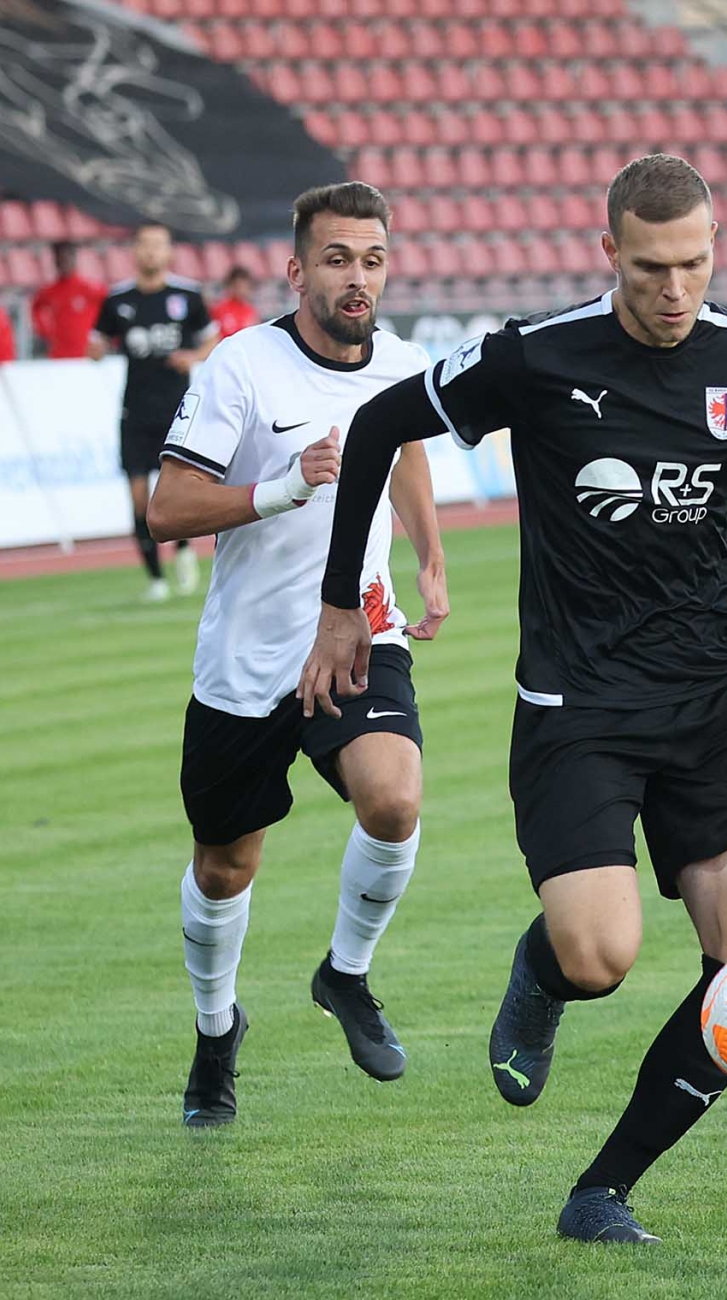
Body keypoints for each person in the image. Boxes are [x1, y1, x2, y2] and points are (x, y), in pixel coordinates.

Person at [299, 154, 727, 1244]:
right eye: (651, 267)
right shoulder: (535, 355)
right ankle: (541, 974)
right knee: (600, 955)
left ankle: (603, 1190)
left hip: (715, 709)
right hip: (577, 709)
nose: (675, 288)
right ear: (609, 255)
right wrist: (343, 600)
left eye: (694, 262)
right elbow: (384, 424)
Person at [146, 182, 451, 1126]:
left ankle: (345, 974)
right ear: (297, 270)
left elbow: (404, 448)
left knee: (394, 798)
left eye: (372, 259)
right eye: (337, 259)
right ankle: (214, 1030)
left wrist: (430, 555)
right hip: (248, 659)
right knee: (226, 867)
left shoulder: (399, 363)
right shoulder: (240, 369)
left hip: (358, 629)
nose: (357, 278)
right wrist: (279, 488)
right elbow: (166, 510)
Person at [89, 224, 218, 601]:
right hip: (134, 410)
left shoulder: (187, 295)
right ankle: (156, 579)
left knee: (175, 489)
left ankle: (181, 550)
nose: (150, 252)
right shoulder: (118, 300)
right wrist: (96, 350)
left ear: (169, 252)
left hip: (179, 410)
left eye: (157, 245)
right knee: (137, 495)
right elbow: (95, 342)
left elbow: (213, 338)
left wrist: (192, 356)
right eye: (144, 245)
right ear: (134, 252)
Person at [30, 240, 106, 360]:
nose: (63, 263)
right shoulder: (49, 291)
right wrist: (44, 331)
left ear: (73, 258)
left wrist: (102, 335)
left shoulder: (91, 288)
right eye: (59, 259)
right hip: (59, 355)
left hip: (86, 355)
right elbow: (36, 307)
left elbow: (109, 310)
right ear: (55, 261)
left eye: (66, 258)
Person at [210, 265, 262, 339]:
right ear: (231, 285)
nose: (242, 290)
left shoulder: (251, 311)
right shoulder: (219, 309)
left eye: (245, 286)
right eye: (239, 286)